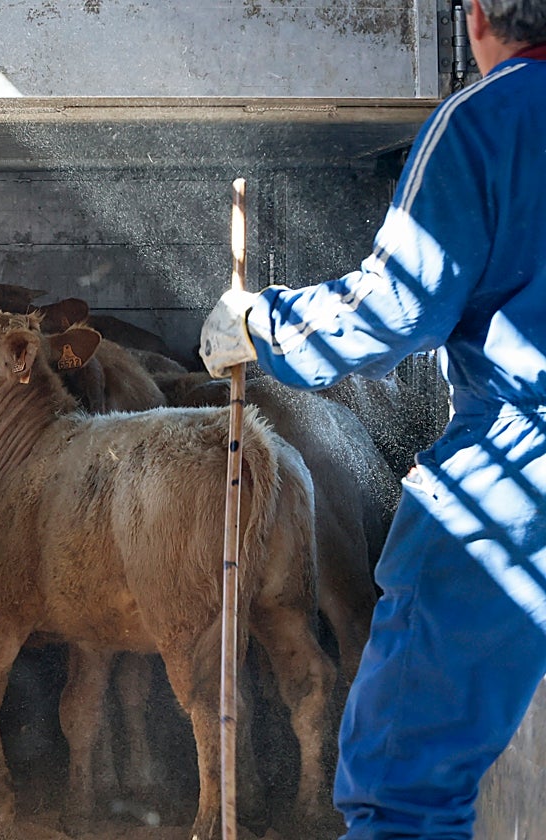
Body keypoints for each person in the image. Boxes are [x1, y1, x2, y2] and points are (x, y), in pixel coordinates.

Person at [198, 1, 546, 837]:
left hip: (522, 465)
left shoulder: (490, 116)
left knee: (406, 777)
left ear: (473, 20)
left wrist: (261, 325)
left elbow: (398, 306)